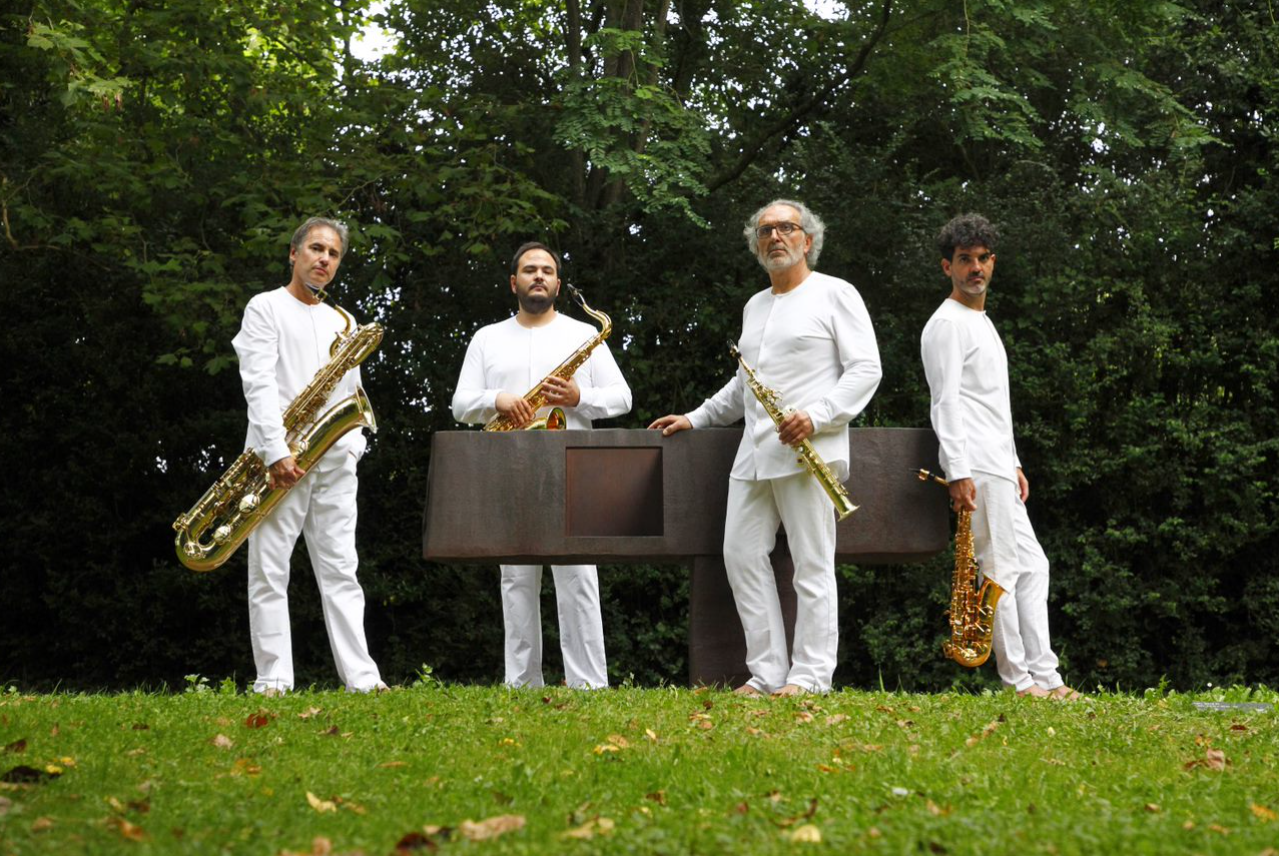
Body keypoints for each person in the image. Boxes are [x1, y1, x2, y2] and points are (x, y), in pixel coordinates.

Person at [649, 200, 882, 696]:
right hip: (753, 454)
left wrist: (817, 415)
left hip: (807, 453)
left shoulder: (836, 293)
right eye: (765, 230)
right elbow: (743, 386)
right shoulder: (754, 306)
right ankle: (767, 674)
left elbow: (866, 369)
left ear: (808, 240)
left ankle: (811, 677)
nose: (775, 236)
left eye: (786, 228)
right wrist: (695, 417)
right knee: (740, 556)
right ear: (757, 245)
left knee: (811, 565)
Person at [451, 242, 632, 688]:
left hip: (573, 468)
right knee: (515, 578)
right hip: (508, 466)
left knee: (579, 578)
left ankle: (589, 684)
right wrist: (497, 399)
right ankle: (521, 683)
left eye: (547, 270)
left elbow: (623, 398)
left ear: (557, 283)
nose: (539, 276)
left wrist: (579, 398)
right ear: (514, 282)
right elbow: (460, 404)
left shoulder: (583, 336)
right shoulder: (486, 338)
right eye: (530, 270)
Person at [919, 213, 1080, 701]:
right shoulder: (947, 324)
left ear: (993, 262)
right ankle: (1021, 682)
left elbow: (990, 403)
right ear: (947, 266)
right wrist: (959, 472)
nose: (976, 268)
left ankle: (1047, 677)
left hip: (997, 465)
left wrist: (1013, 462)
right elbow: (945, 403)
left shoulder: (980, 322)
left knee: (1033, 566)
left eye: (983, 258)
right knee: (1001, 571)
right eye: (965, 259)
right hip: (976, 466)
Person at [232, 216, 386, 695]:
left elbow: (352, 392)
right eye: (316, 249)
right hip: (279, 463)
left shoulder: (344, 321)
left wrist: (352, 448)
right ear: (293, 253)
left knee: (342, 569)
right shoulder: (265, 307)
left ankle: (363, 679)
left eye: (333, 254)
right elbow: (258, 384)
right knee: (269, 570)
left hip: (335, 461)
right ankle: (274, 679)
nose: (324, 259)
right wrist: (276, 452)